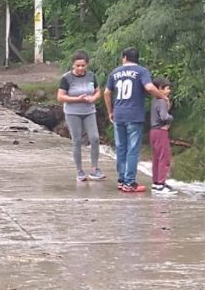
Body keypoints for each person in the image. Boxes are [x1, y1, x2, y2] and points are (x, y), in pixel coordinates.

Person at [104, 47, 169, 193]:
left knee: (121, 148)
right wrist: (163, 97)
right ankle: (130, 182)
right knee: (132, 150)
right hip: (134, 115)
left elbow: (107, 93)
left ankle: (121, 180)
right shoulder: (141, 71)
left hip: (119, 114)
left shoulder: (115, 72)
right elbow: (149, 87)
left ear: (124, 58)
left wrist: (110, 111)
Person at [57, 50, 104, 182]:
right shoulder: (66, 78)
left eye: (83, 65)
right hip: (73, 112)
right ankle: (79, 170)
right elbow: (60, 97)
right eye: (78, 66)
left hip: (89, 111)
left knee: (94, 138)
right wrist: (77, 99)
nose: (80, 68)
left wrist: (93, 98)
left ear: (87, 65)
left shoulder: (91, 76)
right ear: (73, 65)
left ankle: (95, 169)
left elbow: (98, 92)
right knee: (76, 140)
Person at [149, 77, 177, 195]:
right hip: (161, 131)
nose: (169, 91)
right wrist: (171, 119)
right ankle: (161, 184)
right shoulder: (161, 101)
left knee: (156, 158)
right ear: (160, 89)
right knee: (164, 158)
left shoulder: (155, 100)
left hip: (153, 132)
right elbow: (164, 117)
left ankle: (156, 182)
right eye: (167, 88)